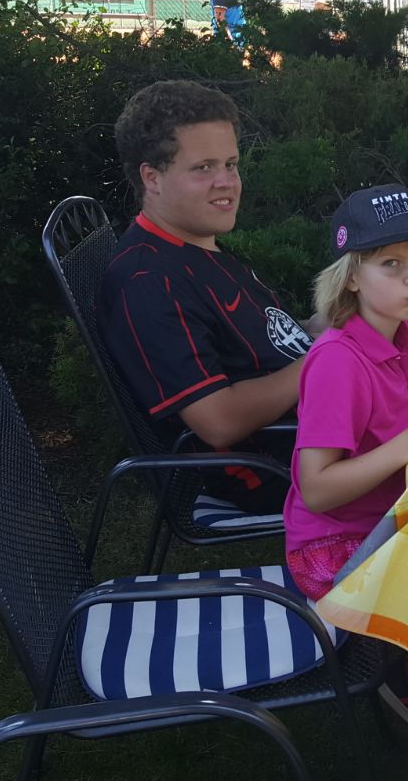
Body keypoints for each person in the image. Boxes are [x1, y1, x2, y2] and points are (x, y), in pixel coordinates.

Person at [98, 80, 313, 513]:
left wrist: (346, 321)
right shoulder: (148, 281)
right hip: (280, 468)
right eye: (203, 168)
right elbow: (219, 422)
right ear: (152, 178)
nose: (226, 183)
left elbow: (269, 341)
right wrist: (328, 357)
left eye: (231, 164)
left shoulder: (198, 245)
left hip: (323, 425)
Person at [283, 184, 408, 600]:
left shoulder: (401, 334)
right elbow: (317, 490)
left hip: (393, 514)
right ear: (352, 277)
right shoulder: (338, 362)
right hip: (335, 550)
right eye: (391, 263)